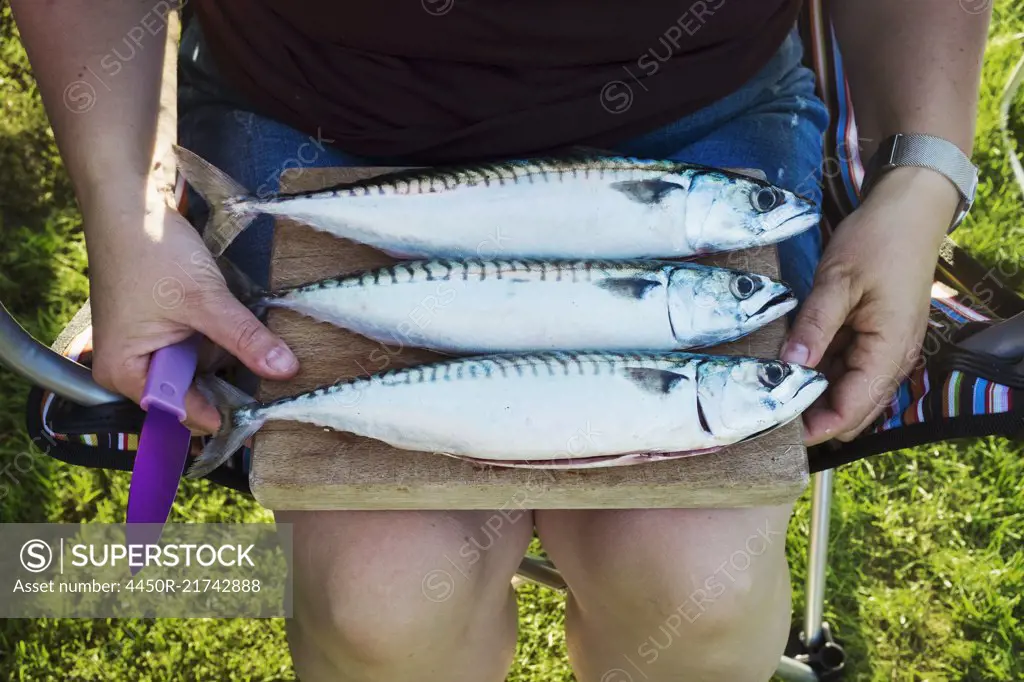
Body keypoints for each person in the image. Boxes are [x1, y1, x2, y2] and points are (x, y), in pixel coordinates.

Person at [11, 1, 990, 680]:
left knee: (704, 592)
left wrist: (921, 176)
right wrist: (128, 211)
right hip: (311, 120)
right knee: (378, 602)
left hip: (700, 130)